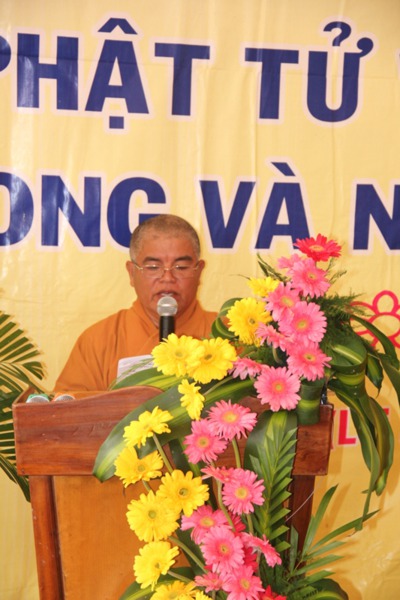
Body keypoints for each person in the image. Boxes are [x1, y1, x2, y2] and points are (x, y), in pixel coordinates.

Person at [54, 215, 217, 392]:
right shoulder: (98, 341)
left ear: (199, 272)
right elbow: (68, 405)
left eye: (181, 267)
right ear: (132, 273)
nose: (167, 278)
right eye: (153, 267)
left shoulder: (226, 336)